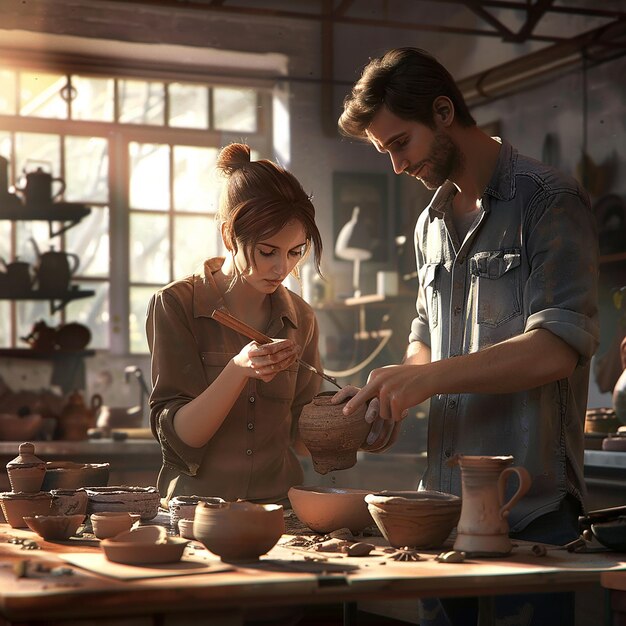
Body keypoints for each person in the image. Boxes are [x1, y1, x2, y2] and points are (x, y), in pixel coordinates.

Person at [336, 47, 599, 625]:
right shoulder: (429, 223)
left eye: (400, 143)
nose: (397, 167)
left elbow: (556, 348)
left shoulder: (549, 200)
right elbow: (424, 328)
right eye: (385, 153)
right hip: (440, 511)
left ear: (443, 111)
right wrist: (400, 385)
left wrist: (426, 379)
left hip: (530, 512)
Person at [146, 142, 324, 506]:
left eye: (295, 252)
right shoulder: (177, 304)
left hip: (280, 515)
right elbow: (181, 437)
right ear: (229, 236)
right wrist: (237, 370)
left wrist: (354, 413)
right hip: (197, 516)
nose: (282, 269)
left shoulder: (301, 318)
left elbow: (305, 441)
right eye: (267, 251)